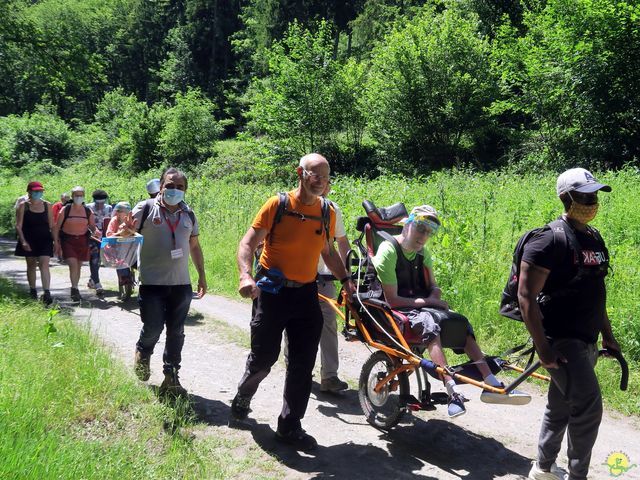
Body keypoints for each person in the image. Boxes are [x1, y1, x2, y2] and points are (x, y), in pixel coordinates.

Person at [230, 153, 355, 452]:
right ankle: (244, 394)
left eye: (325, 176)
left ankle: (289, 425)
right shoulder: (278, 205)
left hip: (305, 294)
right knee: (264, 359)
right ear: (300, 173)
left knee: (302, 364)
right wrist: (245, 276)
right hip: (271, 292)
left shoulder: (327, 212)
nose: (321, 181)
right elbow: (247, 243)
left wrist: (346, 280)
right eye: (315, 174)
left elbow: (326, 251)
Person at [372, 205, 530, 418]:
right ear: (408, 224)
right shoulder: (389, 250)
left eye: (429, 232)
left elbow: (433, 285)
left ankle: (491, 383)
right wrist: (428, 301)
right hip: (395, 308)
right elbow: (392, 299)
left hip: (419, 304)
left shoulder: (422, 253)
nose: (424, 236)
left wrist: (435, 295)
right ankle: (451, 391)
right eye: (420, 228)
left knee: (459, 321)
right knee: (431, 323)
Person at [520, 168, 621, 480]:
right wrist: (544, 349)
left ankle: (543, 469)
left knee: (561, 406)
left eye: (594, 196)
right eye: (584, 196)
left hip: (588, 339)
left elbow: (594, 291)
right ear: (566, 197)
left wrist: (608, 335)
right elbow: (526, 297)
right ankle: (578, 475)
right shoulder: (548, 240)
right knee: (589, 407)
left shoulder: (593, 237)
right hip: (562, 341)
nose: (592, 202)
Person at [131, 168, 207, 397]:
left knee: (176, 331)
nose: (175, 190)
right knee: (153, 327)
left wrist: (202, 275)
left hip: (181, 285)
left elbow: (194, 246)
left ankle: (171, 377)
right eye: (170, 185)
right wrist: (124, 230)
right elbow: (125, 234)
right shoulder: (145, 209)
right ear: (161, 186)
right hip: (152, 283)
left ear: (185, 190)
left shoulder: (189, 215)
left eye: (180, 187)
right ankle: (143, 351)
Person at [284, 182, 351, 393]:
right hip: (295, 276)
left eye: (327, 183)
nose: (324, 187)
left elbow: (341, 241)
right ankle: (293, 368)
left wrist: (347, 276)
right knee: (293, 322)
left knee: (328, 325)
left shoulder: (332, 209)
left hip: (324, 277)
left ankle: (329, 376)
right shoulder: (289, 205)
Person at [53, 186, 97, 302]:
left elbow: (92, 226)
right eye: (76, 195)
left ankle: (75, 288)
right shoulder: (65, 210)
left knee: (79, 265)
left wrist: (96, 232)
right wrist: (56, 242)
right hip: (67, 240)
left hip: (83, 240)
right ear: (72, 197)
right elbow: (57, 227)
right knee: (73, 264)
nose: (79, 197)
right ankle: (74, 289)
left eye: (81, 195)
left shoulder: (88, 211)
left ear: (84, 196)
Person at [14, 181, 54, 304]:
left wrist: (56, 242)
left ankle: (47, 293)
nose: (38, 193)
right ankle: (33, 290)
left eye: (40, 191)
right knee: (31, 265)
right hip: (29, 239)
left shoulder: (48, 205)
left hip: (45, 239)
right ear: (29, 192)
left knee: (44, 265)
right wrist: (23, 241)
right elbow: (18, 226)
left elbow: (52, 225)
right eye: (36, 191)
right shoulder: (23, 206)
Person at [106, 201, 136, 299]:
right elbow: (109, 234)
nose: (127, 214)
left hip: (132, 247)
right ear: (118, 212)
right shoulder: (114, 220)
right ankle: (124, 282)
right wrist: (120, 233)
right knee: (120, 262)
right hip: (117, 248)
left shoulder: (132, 219)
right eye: (125, 212)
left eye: (129, 211)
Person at [87, 189, 113, 296]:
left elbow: (111, 222)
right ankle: (97, 283)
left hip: (105, 237)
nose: (101, 205)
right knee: (95, 258)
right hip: (92, 237)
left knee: (99, 260)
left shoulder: (109, 208)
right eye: (98, 203)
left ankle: (92, 279)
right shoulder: (88, 208)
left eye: (102, 203)